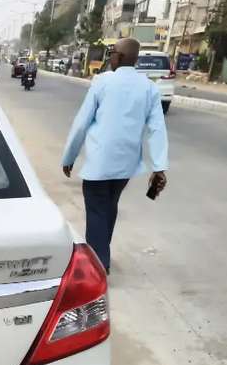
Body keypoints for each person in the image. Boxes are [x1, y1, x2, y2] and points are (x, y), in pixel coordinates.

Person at [60, 37, 168, 273]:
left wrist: (69, 157)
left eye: (112, 54)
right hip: (127, 164)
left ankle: (98, 265)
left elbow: (81, 123)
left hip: (100, 162)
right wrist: (159, 167)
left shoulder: (103, 82)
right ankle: (102, 255)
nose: (110, 58)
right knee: (109, 206)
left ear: (120, 57)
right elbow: (157, 128)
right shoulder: (149, 87)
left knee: (97, 211)